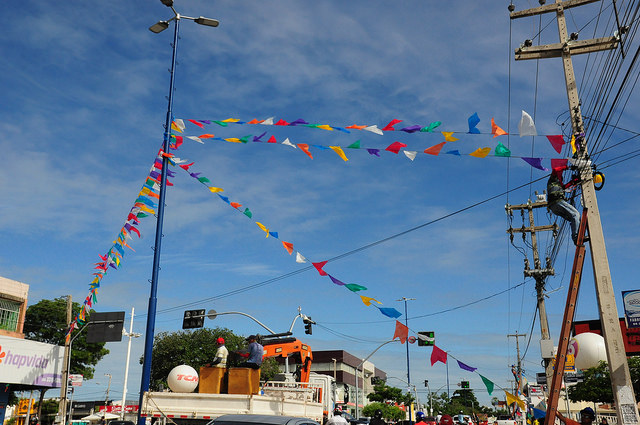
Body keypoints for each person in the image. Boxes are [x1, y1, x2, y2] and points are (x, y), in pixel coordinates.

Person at [547, 166, 584, 245]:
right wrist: (568, 167)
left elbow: (566, 186)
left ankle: (577, 235)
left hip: (554, 207)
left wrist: (575, 181)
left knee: (572, 218)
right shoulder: (552, 179)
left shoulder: (559, 186)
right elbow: (555, 169)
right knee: (575, 214)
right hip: (558, 202)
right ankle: (576, 237)